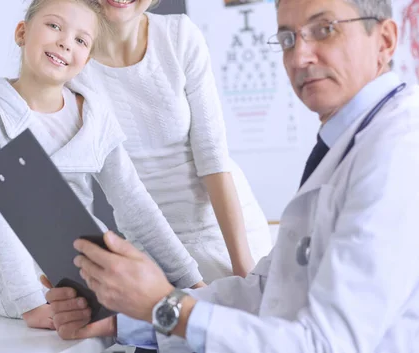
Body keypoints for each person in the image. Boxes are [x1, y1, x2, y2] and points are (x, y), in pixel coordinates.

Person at [46, 0, 419, 351]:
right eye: (288, 39)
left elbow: (325, 345)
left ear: (384, 41)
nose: (299, 57)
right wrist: (124, 320)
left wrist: (164, 305)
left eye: (324, 29)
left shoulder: (402, 157)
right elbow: (266, 291)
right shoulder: (349, 146)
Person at [0, 0, 205, 330]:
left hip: (88, 280)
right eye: (54, 26)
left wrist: (191, 281)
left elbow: (135, 205)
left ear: (87, 59)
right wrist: (28, 303)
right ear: (22, 33)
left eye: (81, 40)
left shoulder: (94, 112)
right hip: (23, 293)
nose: (66, 42)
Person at [67, 0, 272, 283]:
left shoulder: (180, 35)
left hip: (232, 235)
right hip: (154, 247)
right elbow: (72, 187)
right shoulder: (72, 67)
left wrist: (244, 268)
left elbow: (213, 158)